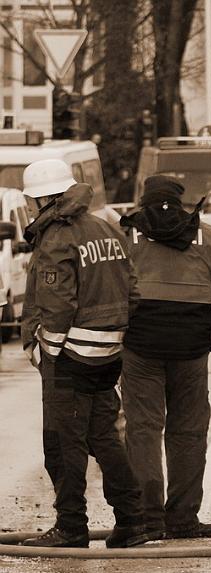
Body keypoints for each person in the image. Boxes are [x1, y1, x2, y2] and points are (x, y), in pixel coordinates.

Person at [19, 159, 149, 549]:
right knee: (104, 437)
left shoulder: (58, 236)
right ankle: (132, 521)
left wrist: (48, 349)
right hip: (107, 354)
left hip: (69, 355)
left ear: (43, 197)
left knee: (62, 442)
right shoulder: (105, 227)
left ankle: (70, 525)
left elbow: (57, 302)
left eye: (30, 201)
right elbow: (133, 291)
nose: (28, 208)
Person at [119, 175, 211, 539]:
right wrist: (210, 335)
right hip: (191, 348)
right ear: (180, 201)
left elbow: (109, 287)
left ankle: (147, 520)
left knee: (143, 429)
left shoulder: (125, 234)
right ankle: (183, 519)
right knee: (188, 432)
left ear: (144, 201)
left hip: (140, 345)